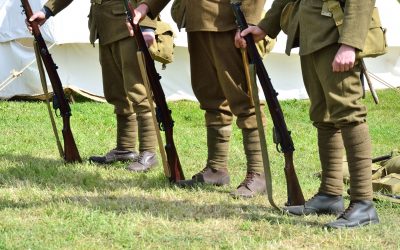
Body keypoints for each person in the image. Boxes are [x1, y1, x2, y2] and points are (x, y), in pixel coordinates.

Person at [238, 0, 379, 228]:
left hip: (336, 33)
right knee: (323, 115)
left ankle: (363, 203)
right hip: (311, 35)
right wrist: (265, 27)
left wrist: (350, 44)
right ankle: (330, 194)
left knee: (348, 114)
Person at [132, 0, 268, 198]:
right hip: (197, 22)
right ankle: (216, 168)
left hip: (230, 23)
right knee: (210, 98)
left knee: (244, 100)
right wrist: (147, 6)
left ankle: (258, 173)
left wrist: (247, 22)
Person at [27, 0, 158, 172]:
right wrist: (47, 10)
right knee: (116, 92)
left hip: (131, 25)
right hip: (105, 27)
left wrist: (147, 26)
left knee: (139, 92)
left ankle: (148, 152)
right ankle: (125, 148)